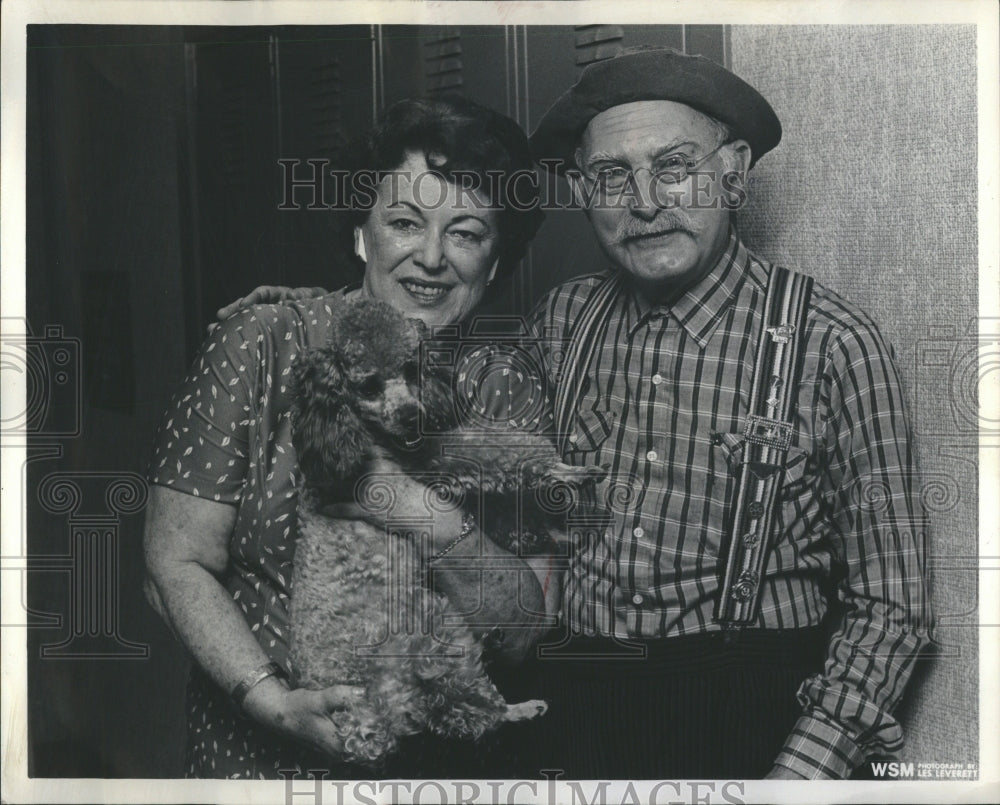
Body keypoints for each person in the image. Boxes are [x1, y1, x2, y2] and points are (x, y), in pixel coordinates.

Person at [496, 46, 931, 780]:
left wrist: (797, 778)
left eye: (674, 167)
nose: (644, 201)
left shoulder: (833, 343)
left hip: (750, 718)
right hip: (579, 710)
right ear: (582, 190)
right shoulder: (560, 320)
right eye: (611, 176)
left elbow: (894, 605)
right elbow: (511, 522)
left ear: (732, 173)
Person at [142, 95, 546, 779]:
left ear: (496, 262)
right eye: (403, 222)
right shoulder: (263, 342)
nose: (430, 256)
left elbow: (525, 628)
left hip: (439, 774)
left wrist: (417, 511)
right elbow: (171, 565)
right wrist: (272, 701)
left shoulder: (507, 387)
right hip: (261, 766)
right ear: (362, 233)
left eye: (466, 232)